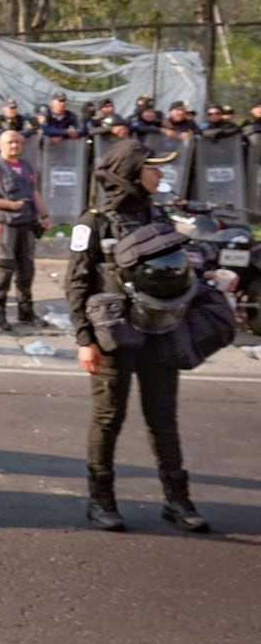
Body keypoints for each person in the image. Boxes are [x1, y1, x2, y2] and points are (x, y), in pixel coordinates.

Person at [64, 138, 209, 534]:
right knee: (109, 418)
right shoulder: (92, 221)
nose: (159, 174)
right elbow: (76, 283)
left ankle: (177, 501)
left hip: (161, 334)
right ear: (131, 174)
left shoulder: (158, 217)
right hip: (113, 338)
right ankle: (101, 501)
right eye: (153, 167)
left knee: (164, 419)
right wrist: (84, 339)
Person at [0, 130, 52, 330]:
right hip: (5, 225)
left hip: (27, 224)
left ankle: (26, 312)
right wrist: (11, 205)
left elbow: (34, 192)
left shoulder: (26, 166)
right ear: (0, 145)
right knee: (4, 269)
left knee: (27, 270)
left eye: (19, 142)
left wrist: (44, 215)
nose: (15, 146)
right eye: (11, 142)